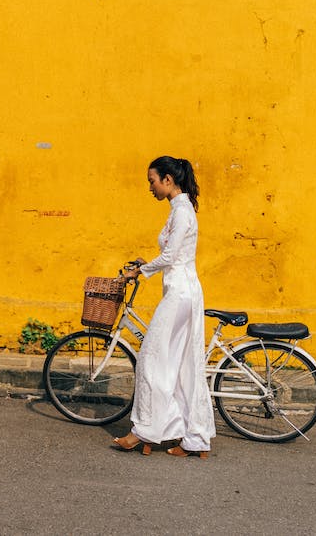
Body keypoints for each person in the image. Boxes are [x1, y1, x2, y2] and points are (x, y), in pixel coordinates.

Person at [112, 156, 215, 459]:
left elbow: (170, 257)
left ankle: (142, 432)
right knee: (179, 364)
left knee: (151, 359)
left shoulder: (182, 211)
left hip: (180, 294)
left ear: (168, 180)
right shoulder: (180, 210)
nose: (150, 187)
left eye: (152, 181)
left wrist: (138, 272)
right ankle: (190, 438)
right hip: (180, 290)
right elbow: (173, 254)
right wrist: (148, 262)